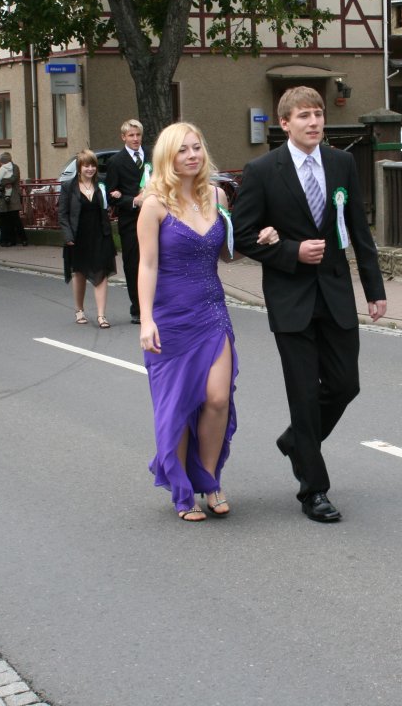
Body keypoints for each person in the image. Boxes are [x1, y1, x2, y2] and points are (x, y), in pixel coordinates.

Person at [232, 86, 387, 523]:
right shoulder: (263, 170)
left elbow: (358, 229)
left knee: (345, 384)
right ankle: (313, 490)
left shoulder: (340, 163)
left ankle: (295, 441)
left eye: (318, 114)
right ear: (285, 123)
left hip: (336, 295)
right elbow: (242, 236)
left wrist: (374, 288)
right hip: (291, 300)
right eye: (304, 115)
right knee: (303, 395)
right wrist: (291, 252)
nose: (314, 122)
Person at [138, 122, 279, 522]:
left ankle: (210, 479)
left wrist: (260, 242)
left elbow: (225, 253)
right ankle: (183, 492)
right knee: (180, 405)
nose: (192, 156)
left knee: (217, 399)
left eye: (196, 147)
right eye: (182, 150)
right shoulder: (154, 205)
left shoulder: (216, 196)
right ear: (168, 157)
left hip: (213, 311)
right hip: (170, 317)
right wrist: (146, 319)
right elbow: (147, 265)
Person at [58, 149, 117, 328]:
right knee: (80, 273)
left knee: (102, 274)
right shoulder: (69, 187)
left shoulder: (100, 185)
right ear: (79, 167)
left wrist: (116, 196)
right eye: (86, 166)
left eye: (93, 165)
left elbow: (107, 208)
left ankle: (101, 315)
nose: (90, 169)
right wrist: (68, 236)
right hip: (78, 236)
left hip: (100, 235)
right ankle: (79, 309)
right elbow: (63, 214)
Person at [107, 119, 150, 323]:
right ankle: (138, 308)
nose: (135, 139)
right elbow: (111, 195)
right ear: (123, 137)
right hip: (131, 221)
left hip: (155, 218)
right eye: (131, 135)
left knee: (159, 261)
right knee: (134, 264)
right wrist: (133, 200)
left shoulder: (151, 156)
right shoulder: (116, 161)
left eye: (138, 135)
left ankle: (157, 305)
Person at [0, 151, 28, 247]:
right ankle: (10, 240)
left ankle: (23, 239)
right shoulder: (1, 168)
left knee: (15, 219)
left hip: (13, 196)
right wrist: (2, 183)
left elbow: (13, 179)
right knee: (7, 220)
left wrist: (3, 182)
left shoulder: (15, 167)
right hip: (4, 196)